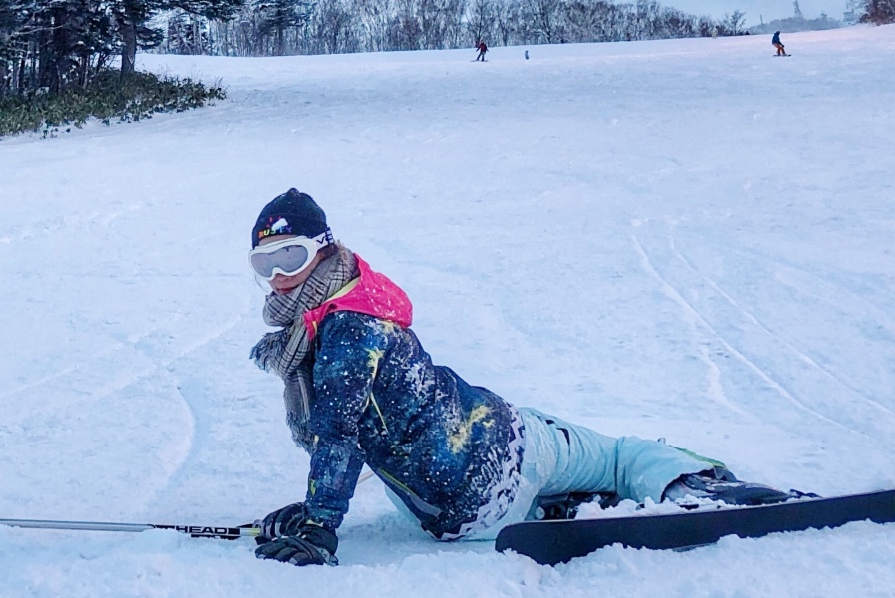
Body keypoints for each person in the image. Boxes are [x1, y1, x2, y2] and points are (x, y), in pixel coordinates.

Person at [245, 189, 789, 565]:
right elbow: (343, 430)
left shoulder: (339, 328)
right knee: (618, 456)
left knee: (589, 464)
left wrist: (321, 517)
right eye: (264, 265)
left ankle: (591, 500)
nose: (279, 279)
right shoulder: (353, 314)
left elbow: (343, 428)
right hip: (498, 451)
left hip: (448, 508)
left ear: (325, 250)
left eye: (289, 257)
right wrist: (318, 517)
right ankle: (692, 483)